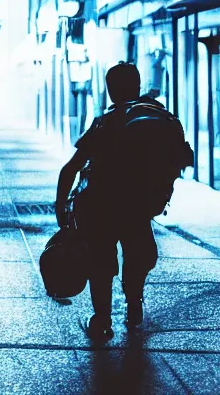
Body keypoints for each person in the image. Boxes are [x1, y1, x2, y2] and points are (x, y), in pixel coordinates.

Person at [55, 62, 193, 340]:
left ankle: (103, 319)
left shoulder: (105, 122)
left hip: (101, 207)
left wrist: (60, 205)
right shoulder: (157, 118)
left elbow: (71, 168)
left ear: (110, 89)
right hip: (138, 206)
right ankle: (134, 306)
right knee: (136, 257)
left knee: (100, 263)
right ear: (137, 86)